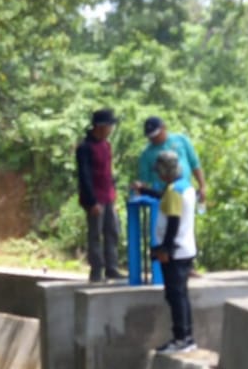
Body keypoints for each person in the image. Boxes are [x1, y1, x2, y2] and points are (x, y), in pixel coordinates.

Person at [150, 150, 197, 354]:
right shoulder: (185, 187)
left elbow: (173, 222)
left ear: (165, 172)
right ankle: (186, 337)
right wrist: (146, 191)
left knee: (175, 296)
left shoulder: (173, 191)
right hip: (186, 249)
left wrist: (165, 249)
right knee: (181, 295)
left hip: (175, 252)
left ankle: (181, 339)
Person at [75, 109, 124, 282]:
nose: (111, 130)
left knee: (112, 231)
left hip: (108, 196)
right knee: (95, 234)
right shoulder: (85, 148)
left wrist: (113, 193)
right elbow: (85, 176)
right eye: (109, 126)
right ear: (101, 126)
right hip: (95, 198)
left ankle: (112, 267)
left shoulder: (106, 145)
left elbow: (108, 172)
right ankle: (96, 270)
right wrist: (91, 201)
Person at [133, 116, 207, 206]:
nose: (154, 138)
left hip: (185, 191)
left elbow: (195, 164)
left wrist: (202, 186)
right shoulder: (146, 154)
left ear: (164, 128)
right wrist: (139, 186)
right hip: (162, 198)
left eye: (156, 135)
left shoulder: (181, 140)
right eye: (151, 136)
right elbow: (144, 180)